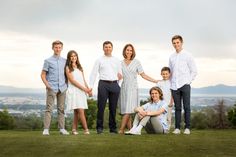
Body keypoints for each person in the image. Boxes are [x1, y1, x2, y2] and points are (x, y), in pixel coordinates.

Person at [118, 44, 158, 134]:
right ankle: (131, 129)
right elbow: (118, 76)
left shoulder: (136, 62)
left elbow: (143, 75)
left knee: (129, 110)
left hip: (133, 88)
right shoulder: (120, 63)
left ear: (133, 52)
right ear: (124, 51)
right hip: (124, 88)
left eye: (131, 50)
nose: (129, 52)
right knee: (126, 110)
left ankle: (121, 130)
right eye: (127, 50)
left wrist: (154, 81)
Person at [89, 41, 122, 134]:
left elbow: (120, 74)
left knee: (113, 108)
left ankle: (113, 128)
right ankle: (99, 128)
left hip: (114, 85)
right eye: (106, 47)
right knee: (101, 107)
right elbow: (93, 74)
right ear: (103, 48)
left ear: (112, 48)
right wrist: (90, 86)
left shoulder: (116, 60)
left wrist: (118, 85)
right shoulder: (99, 60)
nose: (108, 48)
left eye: (109, 47)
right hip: (103, 84)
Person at [169, 35, 197, 135]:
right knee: (177, 108)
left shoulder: (188, 55)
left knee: (187, 107)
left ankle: (187, 128)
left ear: (181, 43)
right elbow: (170, 72)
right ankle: (177, 128)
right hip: (174, 86)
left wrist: (188, 82)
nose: (176, 44)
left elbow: (194, 71)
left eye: (178, 42)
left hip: (184, 84)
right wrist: (170, 83)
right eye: (174, 43)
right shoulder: (171, 57)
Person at [41, 40, 69, 135]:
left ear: (61, 48)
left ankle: (62, 129)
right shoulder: (48, 61)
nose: (57, 49)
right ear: (53, 48)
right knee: (49, 108)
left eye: (59, 47)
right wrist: (47, 84)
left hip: (62, 88)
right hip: (51, 88)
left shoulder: (65, 61)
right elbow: (43, 75)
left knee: (61, 109)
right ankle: (46, 129)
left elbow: (67, 74)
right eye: (56, 47)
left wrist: (66, 85)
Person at [65, 50, 92, 135]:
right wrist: (84, 89)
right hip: (74, 91)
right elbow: (72, 81)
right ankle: (86, 129)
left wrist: (88, 90)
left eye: (75, 56)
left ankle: (73, 129)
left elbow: (83, 80)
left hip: (82, 91)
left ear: (77, 57)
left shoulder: (80, 67)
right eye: (72, 56)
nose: (73, 57)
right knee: (80, 110)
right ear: (69, 58)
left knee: (77, 112)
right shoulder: (67, 68)